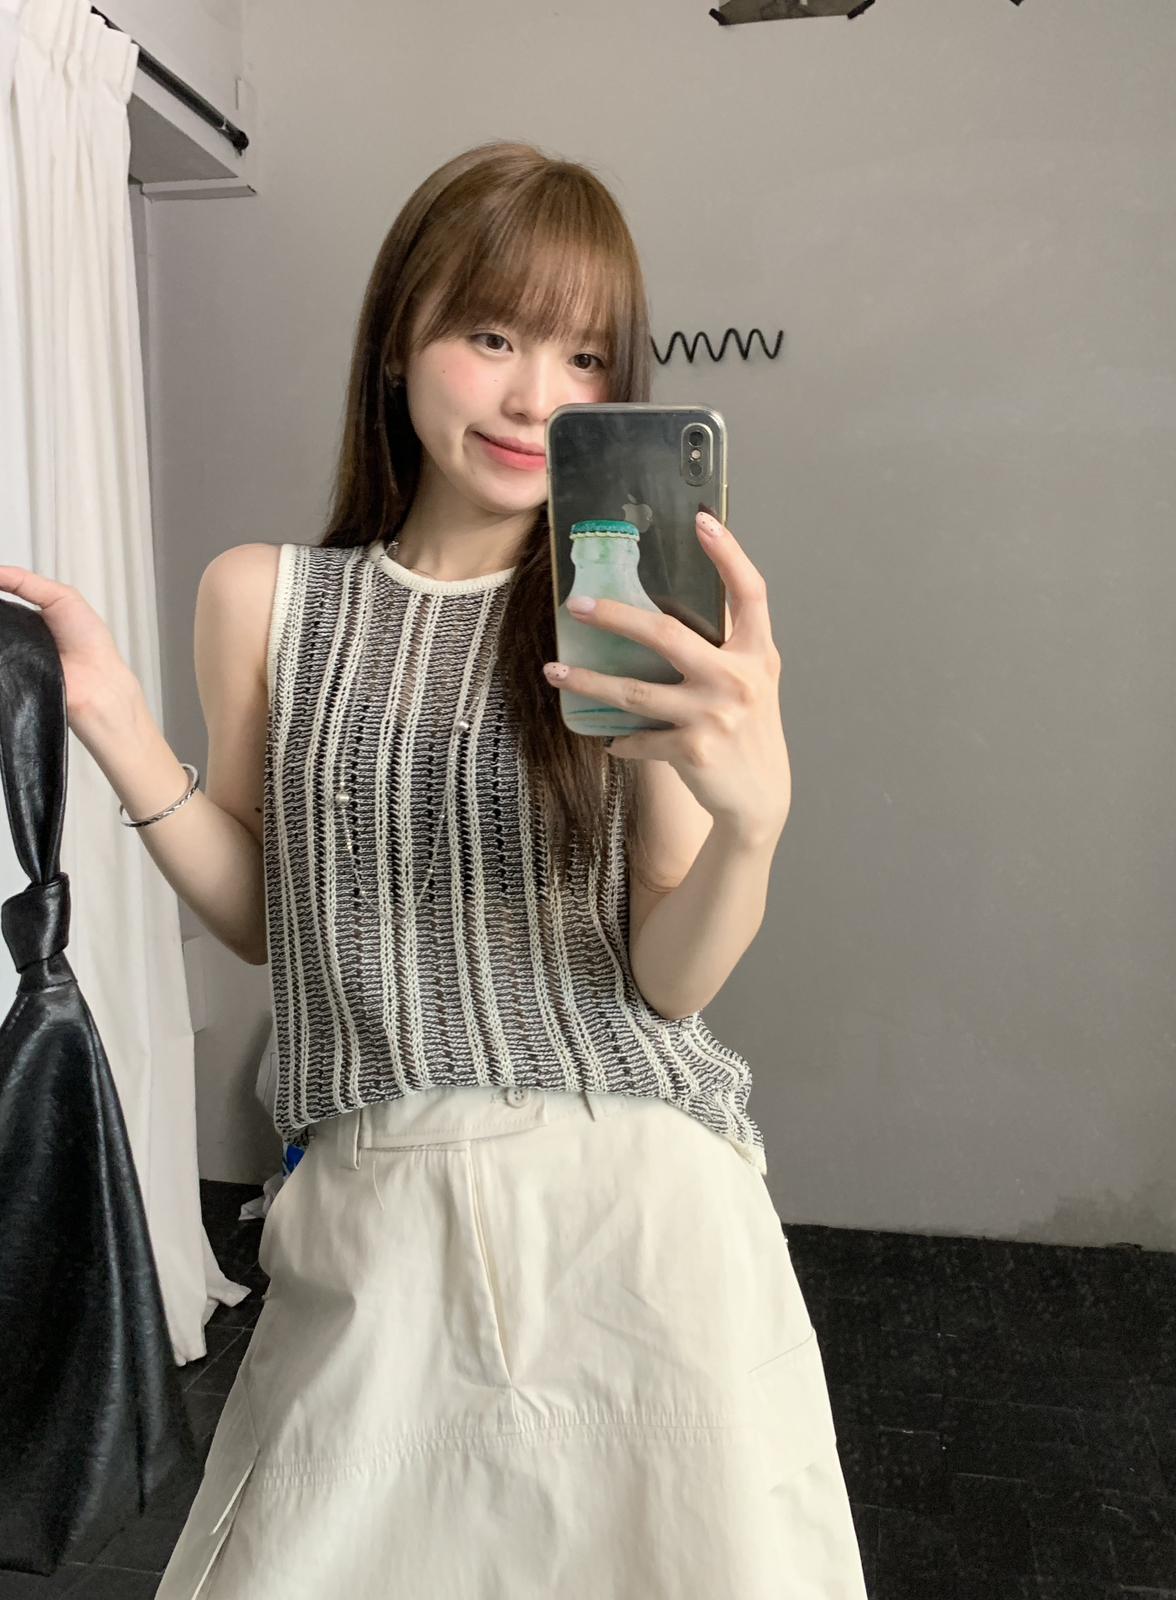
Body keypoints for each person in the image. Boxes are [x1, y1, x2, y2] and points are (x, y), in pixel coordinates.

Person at [0, 140, 868, 1599]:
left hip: (635, 1209)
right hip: (378, 1213)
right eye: (494, 335)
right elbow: (271, 921)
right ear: (399, 338)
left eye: (585, 356)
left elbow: (668, 981)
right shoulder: (263, 598)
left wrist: (755, 824)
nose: (537, 399)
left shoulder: (634, 616)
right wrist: (115, 727)